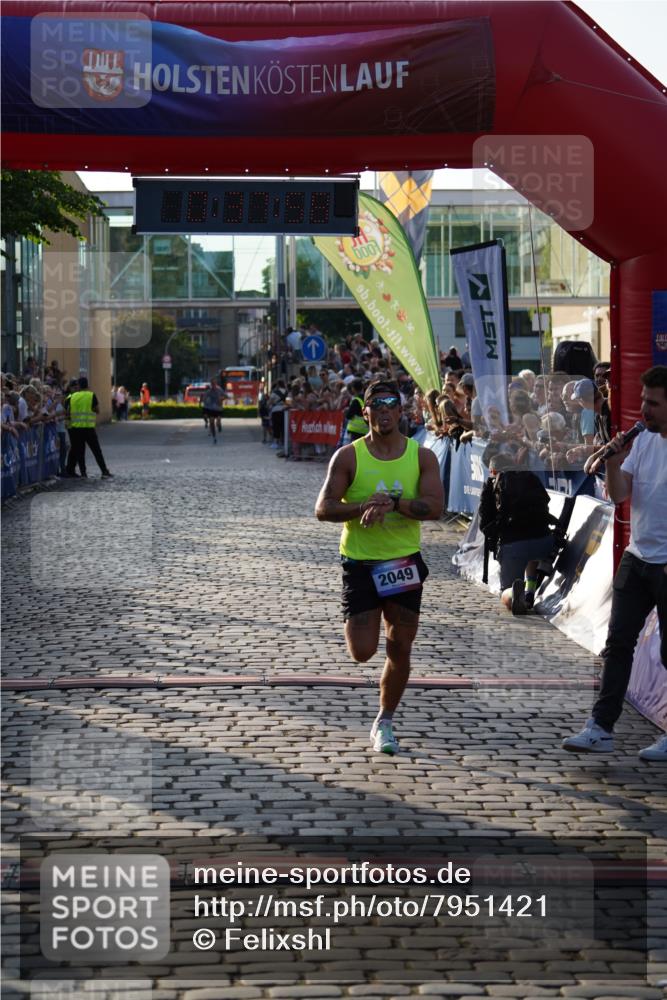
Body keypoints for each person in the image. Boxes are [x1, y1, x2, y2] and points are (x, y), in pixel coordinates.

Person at [315, 379, 444, 755]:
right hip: (360, 561)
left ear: (401, 411)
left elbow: (435, 507)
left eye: (391, 404)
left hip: (402, 560)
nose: (384, 411)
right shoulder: (348, 457)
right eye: (377, 405)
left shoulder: (421, 456)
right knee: (362, 650)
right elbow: (323, 508)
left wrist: (393, 503)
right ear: (366, 412)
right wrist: (363, 506)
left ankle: (385, 721)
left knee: (400, 646)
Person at [562, 366, 667, 761]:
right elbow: (621, 494)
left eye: (653, 403)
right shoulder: (643, 441)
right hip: (638, 558)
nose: (644, 410)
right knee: (618, 644)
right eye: (643, 401)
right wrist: (612, 460)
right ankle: (601, 727)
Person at [478, 450, 557, 614]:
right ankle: (530, 592)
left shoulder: (492, 485)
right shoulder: (530, 477)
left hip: (513, 546)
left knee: (505, 592)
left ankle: (514, 594)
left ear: (492, 471)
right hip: (544, 541)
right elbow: (546, 503)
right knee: (530, 554)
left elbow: (484, 523)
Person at [65, 377, 113, 479]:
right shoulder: (91, 395)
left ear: (79, 385)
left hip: (76, 428)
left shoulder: (71, 397)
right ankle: (104, 471)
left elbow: (67, 412)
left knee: (80, 451)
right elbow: (97, 410)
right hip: (89, 428)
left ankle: (83, 473)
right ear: (87, 385)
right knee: (96, 450)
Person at [201, 379, 224, 444]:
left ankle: (219, 425)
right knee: (211, 422)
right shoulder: (208, 391)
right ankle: (214, 437)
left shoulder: (220, 390)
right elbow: (204, 399)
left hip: (218, 408)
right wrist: (205, 400)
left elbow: (225, 396)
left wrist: (221, 399)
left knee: (218, 422)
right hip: (211, 409)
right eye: (212, 383)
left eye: (214, 383)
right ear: (211, 384)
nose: (213, 385)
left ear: (216, 383)